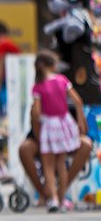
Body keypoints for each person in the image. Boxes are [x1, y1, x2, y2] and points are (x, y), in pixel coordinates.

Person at [31, 50, 87, 212]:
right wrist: (81, 121)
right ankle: (63, 199)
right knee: (61, 163)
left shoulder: (38, 87)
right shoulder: (62, 80)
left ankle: (53, 200)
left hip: (49, 125)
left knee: (48, 164)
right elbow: (78, 101)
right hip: (64, 123)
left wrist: (38, 123)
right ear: (52, 65)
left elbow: (36, 112)